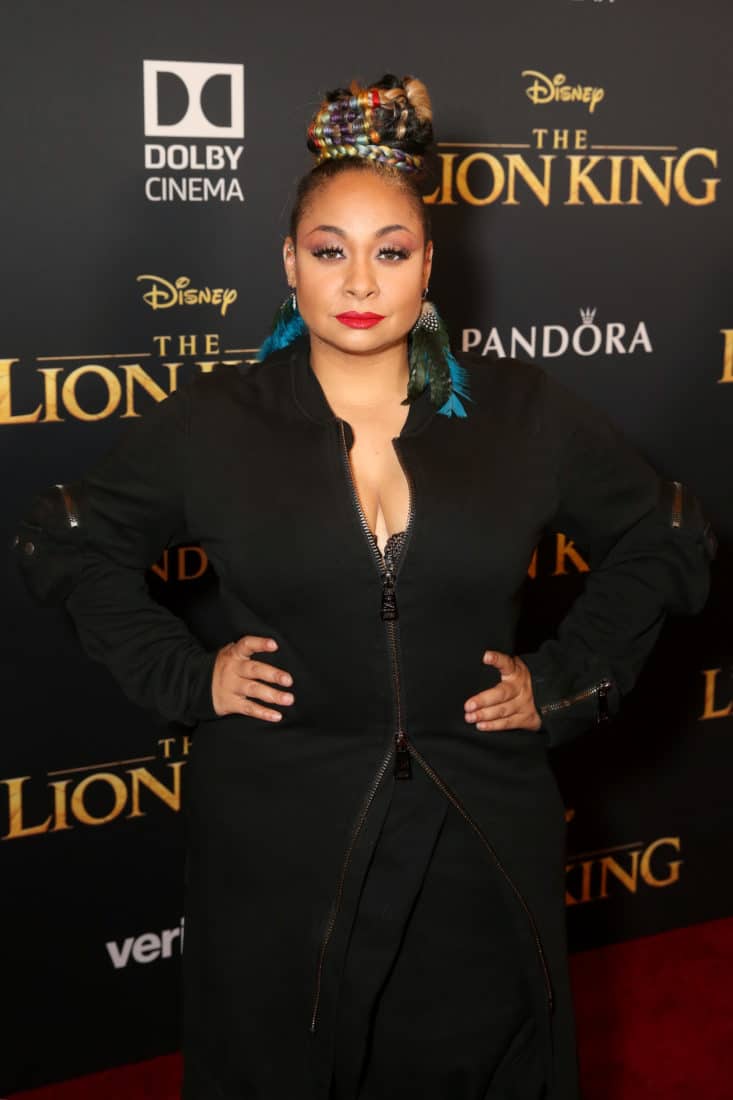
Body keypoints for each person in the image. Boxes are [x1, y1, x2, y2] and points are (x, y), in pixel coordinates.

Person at [57, 74, 712, 1099]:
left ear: (429, 264)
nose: (359, 279)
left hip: (479, 821)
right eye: (330, 250)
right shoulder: (216, 422)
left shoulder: (521, 410)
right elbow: (67, 544)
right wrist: (187, 675)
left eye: (390, 251)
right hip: (279, 833)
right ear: (289, 262)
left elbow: (663, 533)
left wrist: (570, 677)